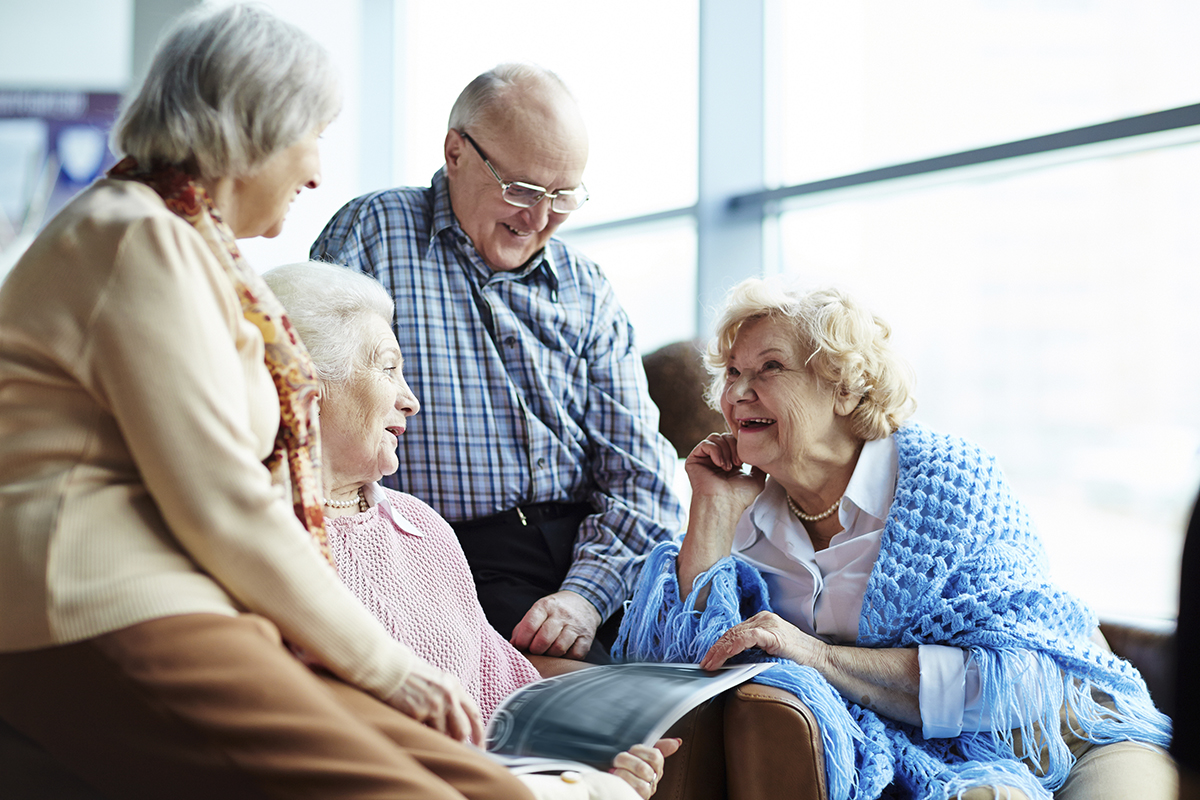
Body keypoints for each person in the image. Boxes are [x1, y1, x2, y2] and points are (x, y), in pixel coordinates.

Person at [0, 6, 536, 799]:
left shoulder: (195, 251)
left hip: (178, 601)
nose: (317, 170)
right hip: (96, 599)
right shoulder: (133, 237)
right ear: (250, 129)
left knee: (491, 785)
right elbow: (224, 504)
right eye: (311, 135)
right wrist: (388, 668)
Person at [616, 279, 1176, 800]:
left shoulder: (948, 480)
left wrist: (820, 657)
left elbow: (1017, 676)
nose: (738, 392)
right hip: (914, 747)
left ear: (843, 387)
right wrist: (711, 511)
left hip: (1062, 726)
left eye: (768, 368)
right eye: (732, 373)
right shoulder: (740, 501)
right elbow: (677, 672)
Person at [262, 260, 680, 799]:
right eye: (388, 369)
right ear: (308, 383)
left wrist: (592, 757)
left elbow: (503, 690)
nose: (411, 399)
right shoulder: (256, 537)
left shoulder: (423, 529)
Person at [310, 63, 685, 663]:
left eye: (562, 197)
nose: (539, 219)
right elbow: (319, 410)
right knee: (591, 711)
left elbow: (644, 478)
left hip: (591, 558)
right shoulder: (376, 231)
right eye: (523, 190)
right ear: (455, 152)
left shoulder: (586, 287)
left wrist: (584, 599)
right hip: (441, 554)